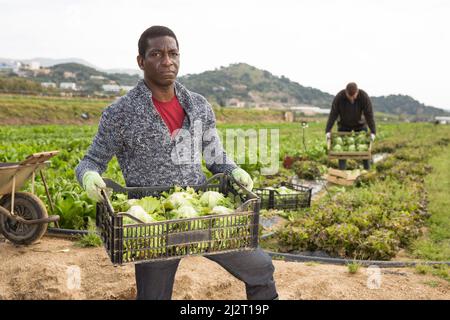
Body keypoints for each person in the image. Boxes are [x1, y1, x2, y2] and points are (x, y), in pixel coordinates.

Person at [75, 26, 278, 300]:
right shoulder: (120, 113)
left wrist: (234, 170)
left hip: (202, 212)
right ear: (141, 61)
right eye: (156, 54)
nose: (167, 61)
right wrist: (88, 177)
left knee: (261, 268)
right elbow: (90, 161)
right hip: (153, 225)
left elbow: (215, 157)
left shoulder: (198, 105)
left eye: (173, 53)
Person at [325, 82, 376, 170]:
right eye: (350, 96)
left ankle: (367, 171)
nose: (352, 98)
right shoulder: (339, 97)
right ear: (346, 92)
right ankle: (342, 172)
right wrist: (328, 130)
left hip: (360, 125)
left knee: (364, 149)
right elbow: (333, 114)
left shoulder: (363, 97)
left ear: (357, 92)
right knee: (341, 151)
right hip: (344, 125)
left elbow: (369, 114)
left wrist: (373, 131)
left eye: (354, 96)